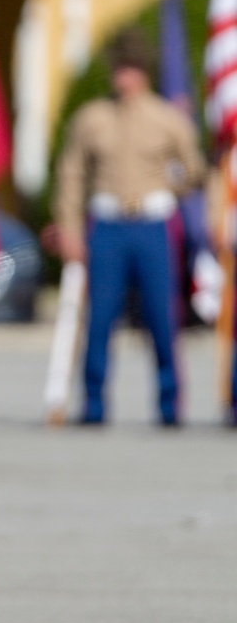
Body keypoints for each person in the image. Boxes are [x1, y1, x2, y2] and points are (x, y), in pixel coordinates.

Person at [55, 27, 205, 425]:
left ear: (145, 73)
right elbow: (70, 176)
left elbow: (194, 170)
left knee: (161, 316)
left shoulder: (168, 119)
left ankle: (170, 404)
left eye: (132, 69)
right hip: (107, 225)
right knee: (100, 318)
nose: (125, 78)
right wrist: (69, 229)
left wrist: (166, 189)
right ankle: (93, 403)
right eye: (120, 69)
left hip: (152, 225)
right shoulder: (92, 118)